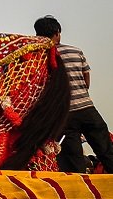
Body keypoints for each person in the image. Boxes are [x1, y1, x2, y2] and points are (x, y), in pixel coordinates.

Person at [34, 16, 113, 173]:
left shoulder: (37, 57)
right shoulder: (76, 51)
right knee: (106, 150)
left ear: (38, 35)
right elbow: (86, 81)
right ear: (58, 33)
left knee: (72, 160)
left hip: (62, 116)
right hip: (86, 109)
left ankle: (79, 193)